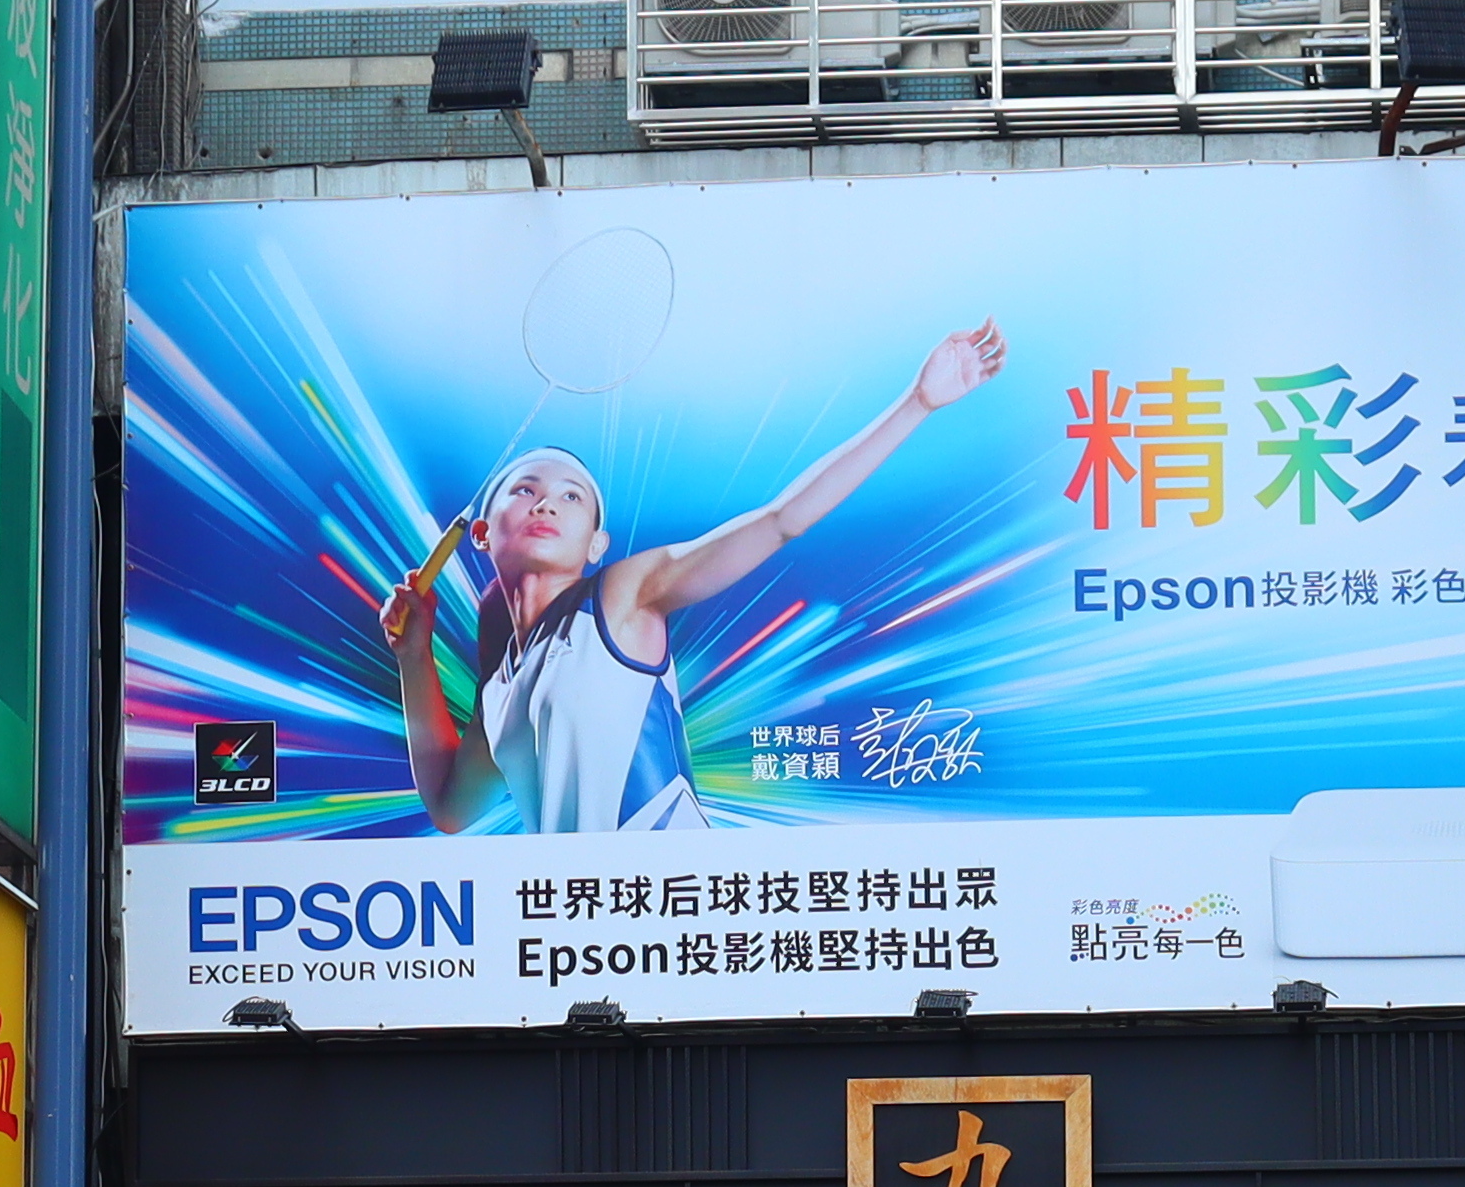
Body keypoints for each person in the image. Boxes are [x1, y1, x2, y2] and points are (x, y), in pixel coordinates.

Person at [370, 323, 1007, 836]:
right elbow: (452, 809)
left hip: (678, 922)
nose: (546, 503)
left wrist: (917, 404)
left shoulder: (621, 597)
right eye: (526, 489)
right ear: (480, 532)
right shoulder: (503, 683)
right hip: (586, 936)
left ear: (598, 544)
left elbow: (783, 520)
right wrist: (413, 656)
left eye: (571, 497)